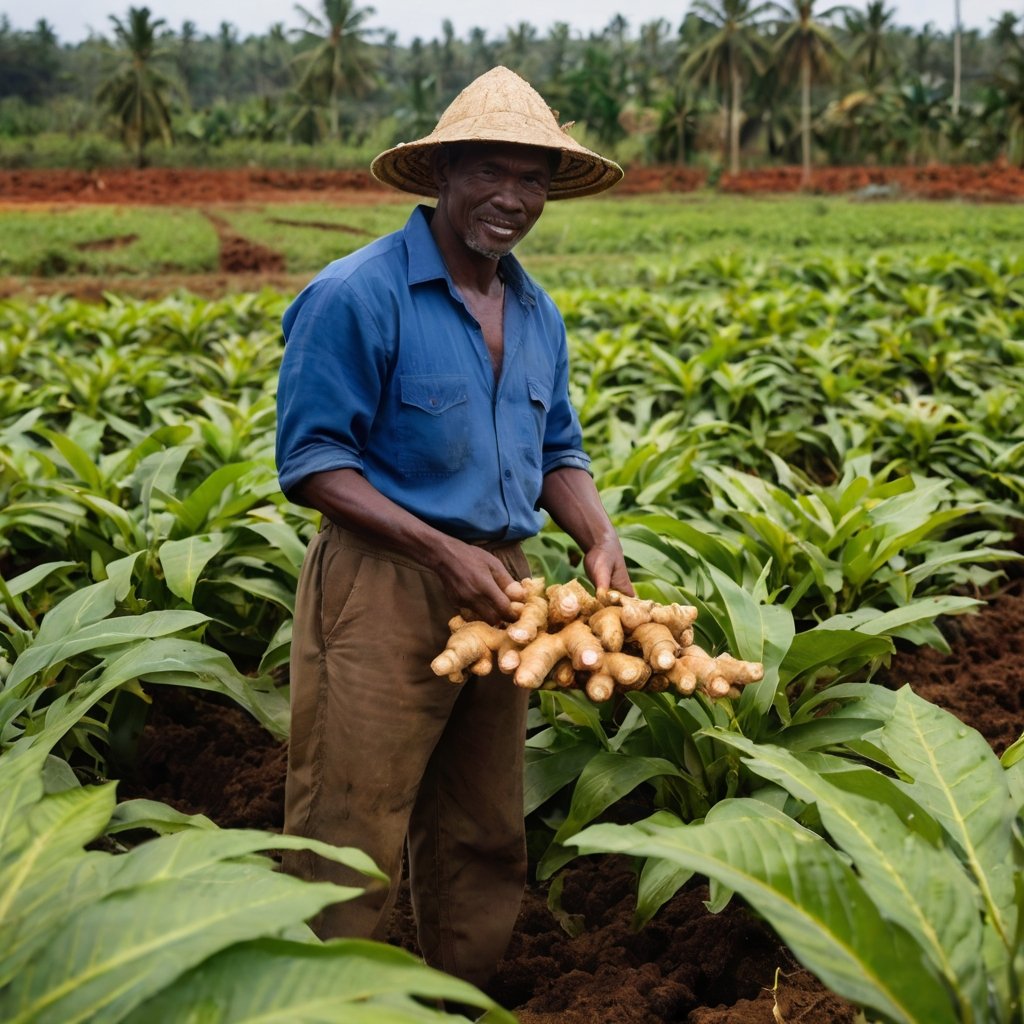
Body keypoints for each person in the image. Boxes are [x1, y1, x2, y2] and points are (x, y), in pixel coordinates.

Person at [274, 66, 633, 994]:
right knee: (349, 816)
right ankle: (321, 1004)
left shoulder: (535, 308)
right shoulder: (357, 295)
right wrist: (439, 550)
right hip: (385, 580)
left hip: (504, 586)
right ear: (443, 173)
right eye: (491, 172)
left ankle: (460, 999)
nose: (512, 199)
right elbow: (312, 463)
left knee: (483, 820)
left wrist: (596, 534)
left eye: (534, 180)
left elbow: (558, 446)